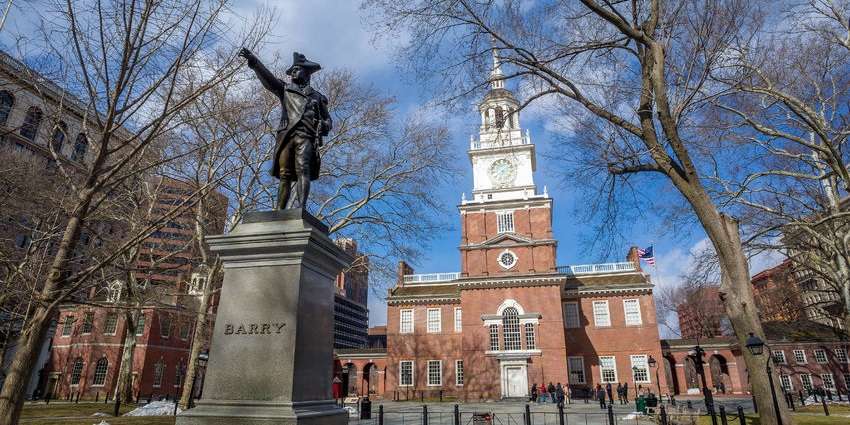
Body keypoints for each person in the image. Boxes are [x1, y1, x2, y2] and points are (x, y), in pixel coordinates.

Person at [240, 49, 332, 210]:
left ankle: (300, 209)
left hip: (306, 136)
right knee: (285, 175)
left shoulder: (317, 97)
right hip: (287, 136)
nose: (293, 73)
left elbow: (327, 119)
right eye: (292, 71)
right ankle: (279, 211)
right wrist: (254, 62)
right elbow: (269, 80)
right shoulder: (285, 89)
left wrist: (324, 125)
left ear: (306, 72)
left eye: (296, 70)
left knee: (303, 169)